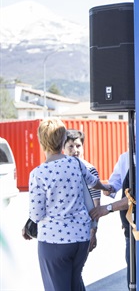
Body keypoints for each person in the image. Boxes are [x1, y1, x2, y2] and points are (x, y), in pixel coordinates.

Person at [22, 118, 114, 291]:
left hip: (54, 242)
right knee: (75, 282)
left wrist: (27, 228)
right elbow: (94, 182)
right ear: (64, 140)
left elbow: (36, 215)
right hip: (80, 239)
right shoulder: (76, 164)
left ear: (42, 141)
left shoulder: (38, 173)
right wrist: (106, 187)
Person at [90, 151, 131, 289]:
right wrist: (106, 188)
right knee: (132, 272)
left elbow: (134, 197)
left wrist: (107, 208)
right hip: (129, 226)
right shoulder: (125, 158)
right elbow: (114, 184)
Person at [63, 129, 101, 252]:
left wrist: (93, 232)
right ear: (63, 148)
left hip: (82, 230)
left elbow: (96, 205)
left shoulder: (90, 170)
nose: (75, 150)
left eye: (78, 146)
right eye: (71, 146)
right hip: (62, 231)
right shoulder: (59, 170)